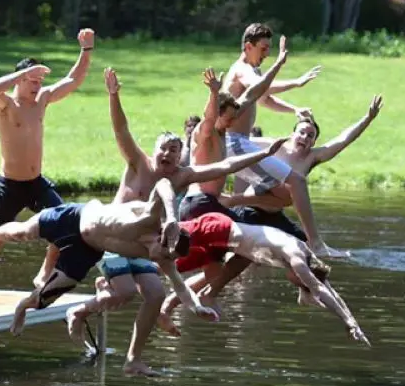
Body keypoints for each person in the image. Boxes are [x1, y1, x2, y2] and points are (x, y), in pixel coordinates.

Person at [64, 68, 287, 347]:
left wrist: (264, 153)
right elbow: (121, 128)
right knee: (122, 294)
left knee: (155, 296)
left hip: (146, 246)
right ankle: (82, 308)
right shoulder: (139, 163)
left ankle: (134, 358)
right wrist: (113, 95)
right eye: (164, 148)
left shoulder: (181, 176)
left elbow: (225, 166)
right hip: (114, 239)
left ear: (180, 155)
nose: (167, 154)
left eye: (174, 150)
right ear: (154, 150)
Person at [159, 96, 385, 329]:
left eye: (310, 136)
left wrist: (367, 119)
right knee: (242, 258)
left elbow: (342, 141)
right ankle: (204, 293)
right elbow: (238, 140)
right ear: (293, 133)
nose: (305, 138)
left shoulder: (312, 157)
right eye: (302, 133)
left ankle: (306, 291)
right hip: (252, 211)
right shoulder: (276, 147)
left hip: (276, 216)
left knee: (306, 251)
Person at [0, 178, 216, 376]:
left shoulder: (162, 256)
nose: (162, 261)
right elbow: (163, 183)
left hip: (87, 250)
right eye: (165, 253)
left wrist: (196, 307)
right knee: (23, 232)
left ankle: (23, 306)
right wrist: (171, 216)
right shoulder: (150, 220)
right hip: (74, 218)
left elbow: (180, 287)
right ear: (164, 236)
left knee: (45, 299)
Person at [0, 28, 95, 317]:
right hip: (9, 186)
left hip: (36, 183)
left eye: (40, 81)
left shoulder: (42, 101)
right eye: (32, 80)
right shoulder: (6, 104)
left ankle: (43, 274)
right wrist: (20, 74)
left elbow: (73, 80)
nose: (37, 86)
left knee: (66, 225)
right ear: (19, 80)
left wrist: (86, 51)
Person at [224, 26, 343, 258]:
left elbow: (264, 98)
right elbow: (262, 88)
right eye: (263, 48)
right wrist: (296, 82)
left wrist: (295, 109)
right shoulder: (242, 69)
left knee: (287, 193)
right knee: (296, 182)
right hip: (234, 143)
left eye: (269, 49)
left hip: (240, 142)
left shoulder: (251, 71)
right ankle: (315, 243)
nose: (266, 54)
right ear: (248, 46)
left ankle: (232, 209)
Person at [173, 212, 367, 345]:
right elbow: (318, 288)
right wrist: (348, 322)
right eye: (300, 282)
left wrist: (352, 322)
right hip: (218, 231)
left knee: (165, 263)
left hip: (226, 244)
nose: (294, 280)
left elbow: (327, 290)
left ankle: (184, 303)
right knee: (166, 235)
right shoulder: (297, 259)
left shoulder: (309, 260)